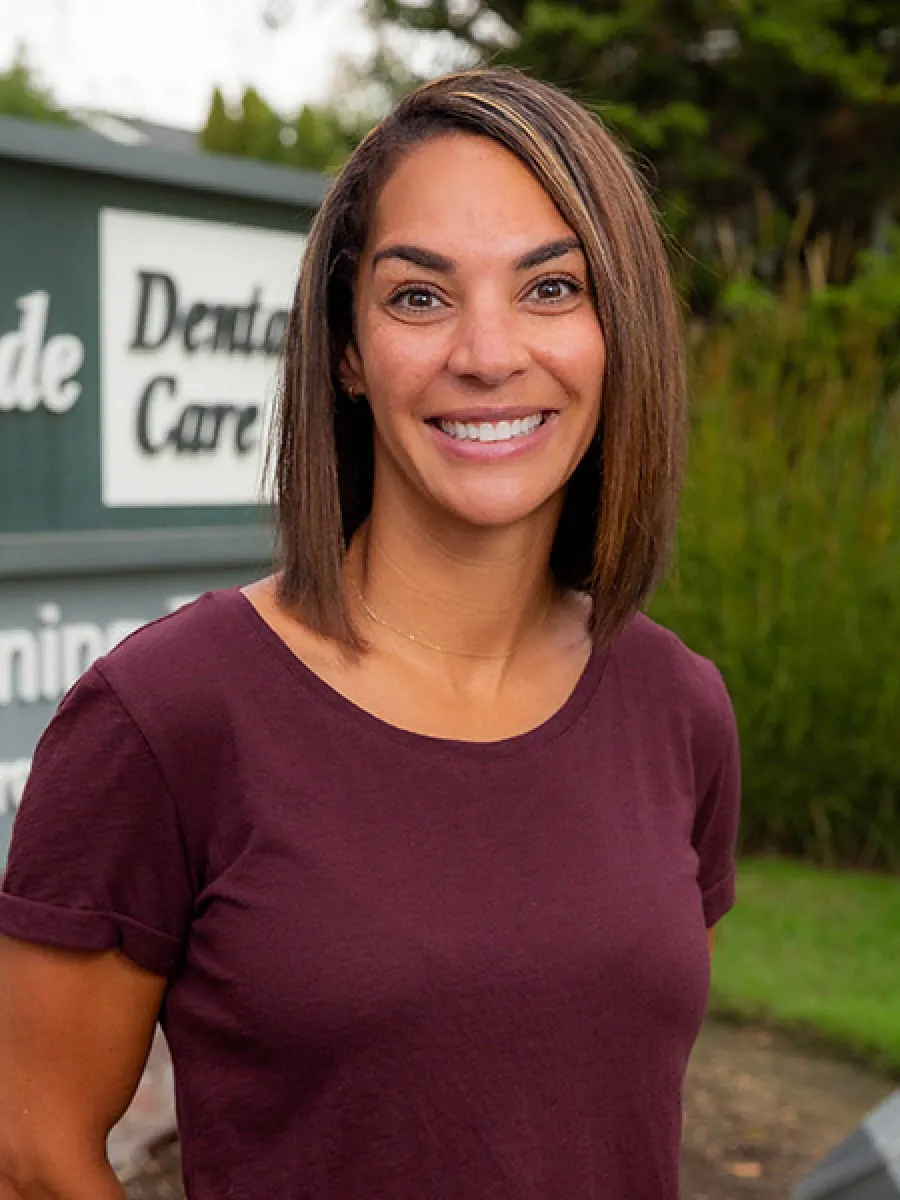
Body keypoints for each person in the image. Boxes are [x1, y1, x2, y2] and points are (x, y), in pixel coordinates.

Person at [0, 67, 740, 1200]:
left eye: (551, 288)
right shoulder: (169, 717)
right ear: (347, 349)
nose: (489, 353)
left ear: (617, 327)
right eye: (419, 297)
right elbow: (34, 1155)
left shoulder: (679, 708)